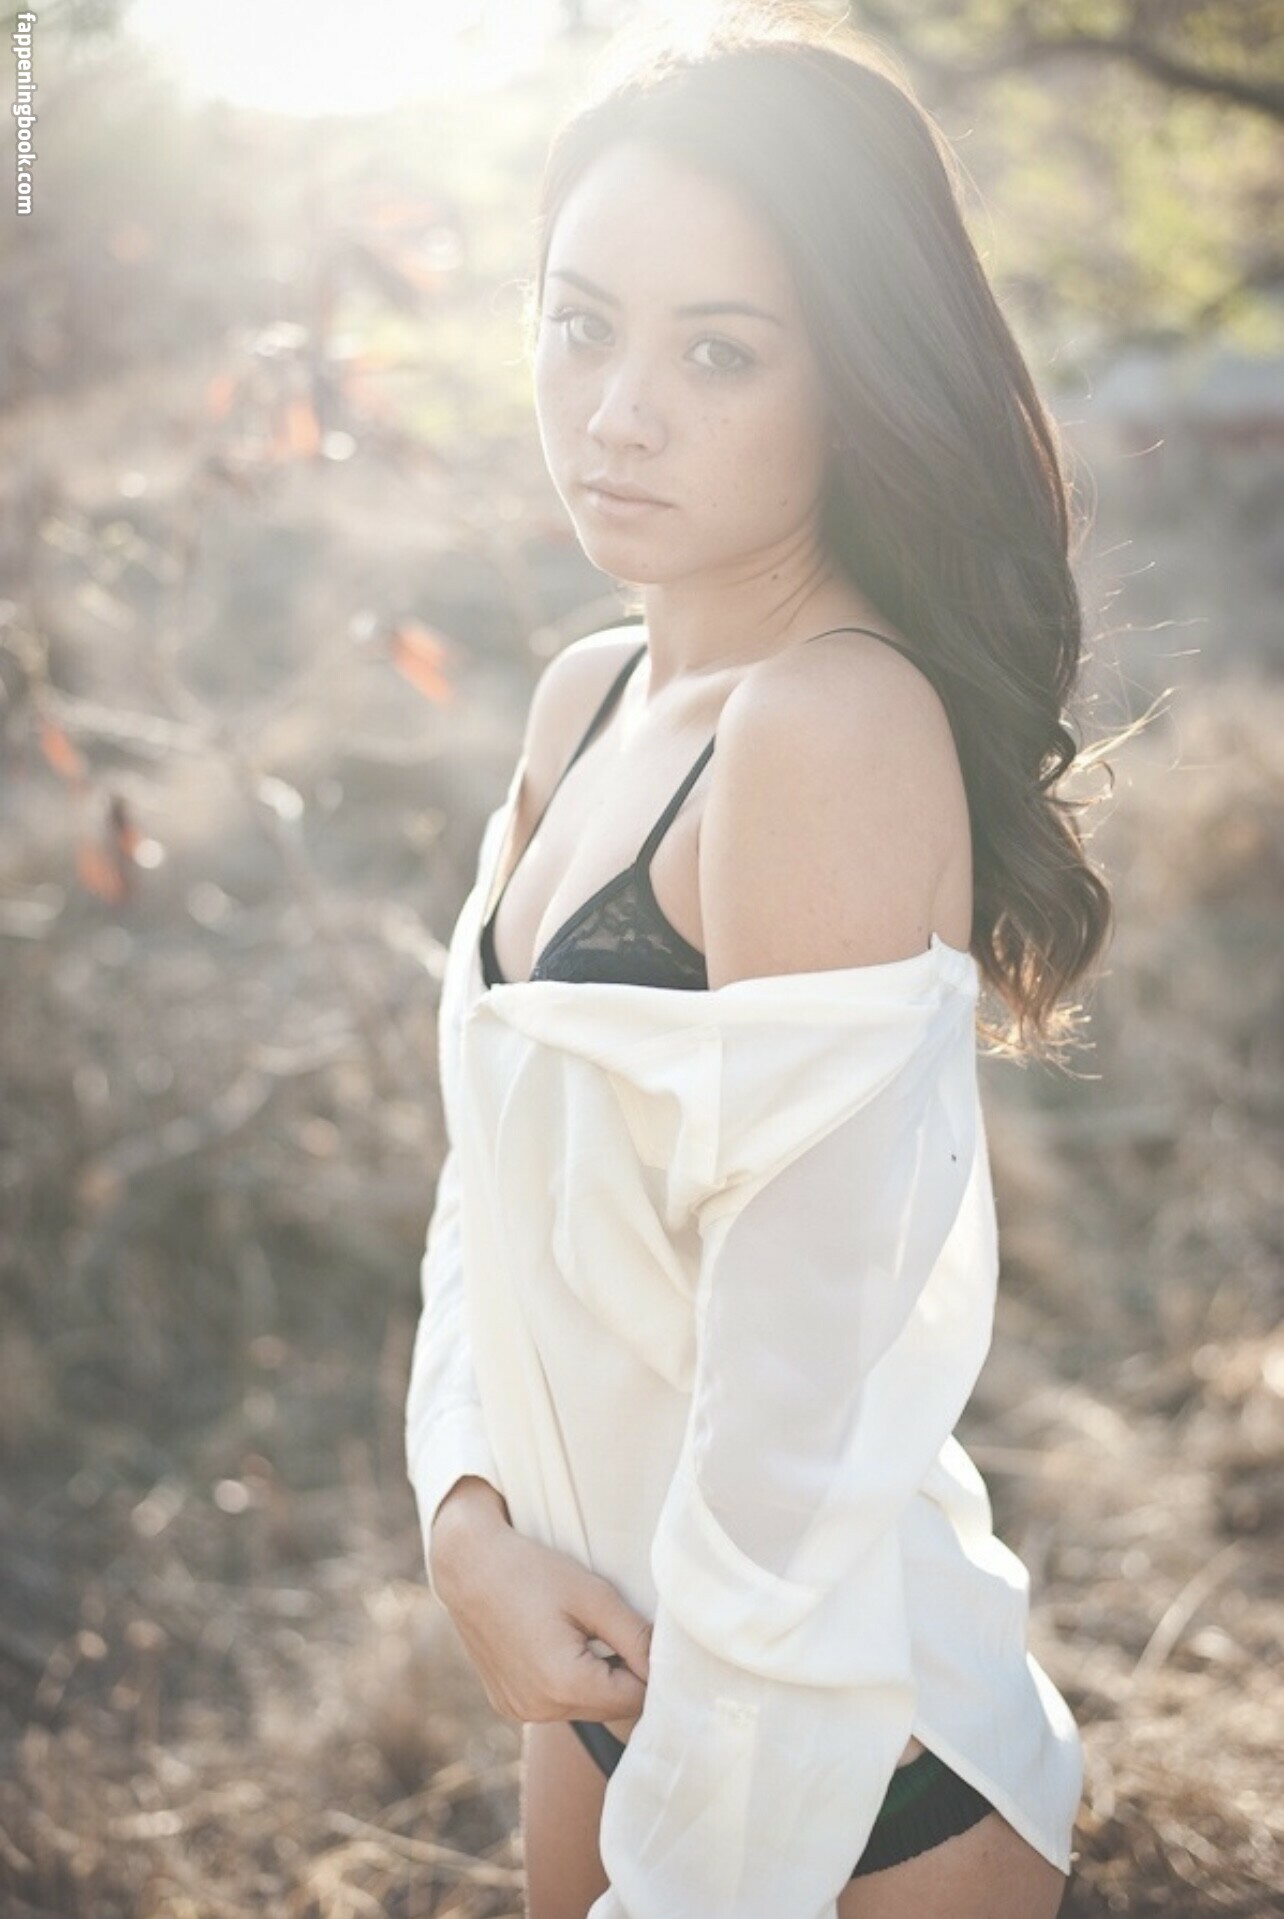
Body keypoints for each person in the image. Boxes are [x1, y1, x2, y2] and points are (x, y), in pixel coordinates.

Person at [406, 9, 1121, 1916]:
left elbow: (802, 1424)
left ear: (855, 377)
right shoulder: (588, 696)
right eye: (581, 325)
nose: (618, 411)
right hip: (607, 1678)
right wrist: (464, 1517)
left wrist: (687, 1856)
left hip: (828, 1756)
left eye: (717, 351)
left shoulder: (829, 730)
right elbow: (494, 1185)